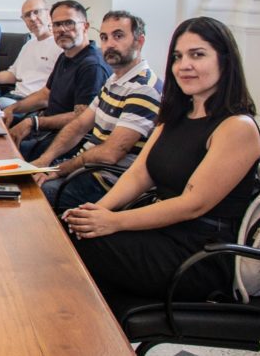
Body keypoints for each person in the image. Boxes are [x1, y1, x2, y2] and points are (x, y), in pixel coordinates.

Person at [65, 17, 260, 313]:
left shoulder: (237, 127)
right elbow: (138, 174)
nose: (184, 65)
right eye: (178, 57)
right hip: (161, 232)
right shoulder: (174, 116)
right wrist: (97, 211)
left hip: (199, 254)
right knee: (71, 227)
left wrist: (114, 221)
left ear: (225, 60)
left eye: (198, 55)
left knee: (78, 244)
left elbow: (192, 204)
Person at [29, 11, 162, 209]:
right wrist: (45, 160)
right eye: (104, 37)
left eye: (118, 36)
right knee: (22, 179)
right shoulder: (114, 80)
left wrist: (60, 169)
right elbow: (80, 125)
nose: (109, 44)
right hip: (85, 170)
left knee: (29, 194)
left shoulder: (144, 88)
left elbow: (110, 153)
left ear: (139, 41)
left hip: (105, 184)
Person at [2, 0, 111, 161]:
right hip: (45, 130)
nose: (62, 29)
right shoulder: (65, 56)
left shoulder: (92, 66)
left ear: (85, 26)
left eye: (69, 23)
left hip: (65, 142)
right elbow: (45, 94)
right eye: (57, 24)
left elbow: (82, 118)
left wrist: (34, 123)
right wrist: (13, 108)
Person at [0, 0, 62, 108]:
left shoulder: (60, 46)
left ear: (48, 14)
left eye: (36, 12)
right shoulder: (28, 45)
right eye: (27, 15)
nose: (32, 18)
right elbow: (13, 74)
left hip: (35, 103)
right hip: (14, 97)